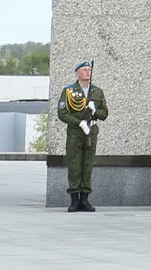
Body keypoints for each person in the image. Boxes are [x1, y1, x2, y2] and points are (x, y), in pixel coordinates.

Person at [58, 60, 108, 212]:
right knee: (74, 165)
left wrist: (95, 112)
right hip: (75, 132)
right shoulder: (69, 91)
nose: (88, 72)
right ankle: (74, 199)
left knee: (87, 165)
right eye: (84, 70)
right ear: (78, 73)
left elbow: (104, 114)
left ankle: (85, 199)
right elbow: (62, 113)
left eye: (89, 70)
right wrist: (79, 123)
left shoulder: (97, 92)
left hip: (91, 132)